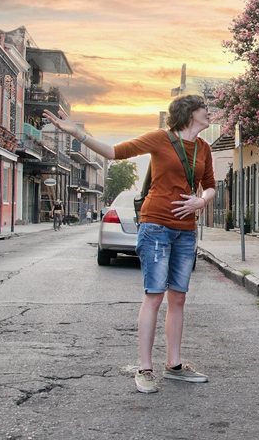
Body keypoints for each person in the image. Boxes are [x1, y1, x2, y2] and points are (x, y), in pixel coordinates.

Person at [43, 93, 216, 394]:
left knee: (178, 298)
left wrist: (200, 201)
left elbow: (210, 186)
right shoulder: (160, 139)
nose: (209, 113)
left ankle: (173, 366)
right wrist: (78, 134)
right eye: (205, 109)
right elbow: (114, 152)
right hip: (156, 227)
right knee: (155, 296)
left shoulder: (204, 147)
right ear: (190, 113)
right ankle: (145, 368)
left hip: (186, 230)